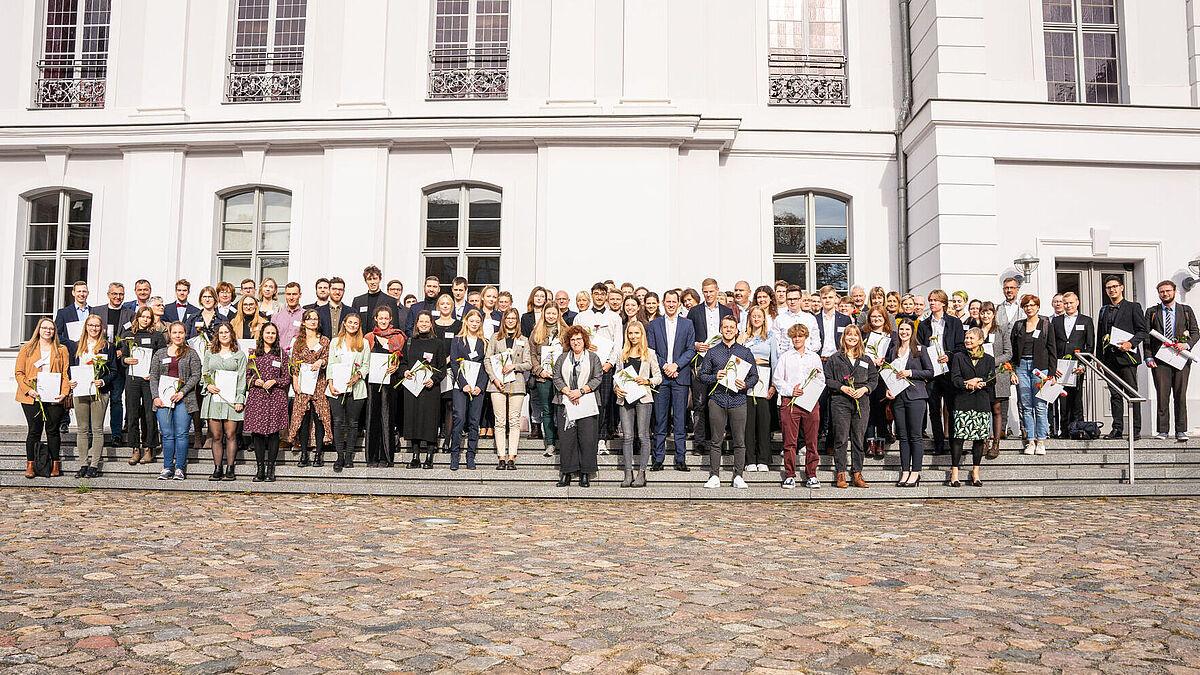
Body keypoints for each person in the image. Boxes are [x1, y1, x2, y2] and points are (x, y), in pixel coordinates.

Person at [698, 315, 758, 489]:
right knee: (716, 440)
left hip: (738, 399)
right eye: (725, 327)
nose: (729, 330)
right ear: (721, 329)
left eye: (732, 327)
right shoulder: (712, 352)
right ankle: (714, 476)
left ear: (736, 330)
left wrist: (746, 384)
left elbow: (755, 375)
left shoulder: (745, 352)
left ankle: (738, 476)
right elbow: (702, 376)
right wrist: (714, 376)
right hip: (717, 399)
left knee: (740, 441)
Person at [16, 318, 71, 478]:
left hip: (54, 396)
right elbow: (19, 373)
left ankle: (55, 465)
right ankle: (30, 465)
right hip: (32, 396)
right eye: (45, 328)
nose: (48, 331)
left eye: (51, 329)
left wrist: (64, 392)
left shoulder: (62, 349)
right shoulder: (27, 348)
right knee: (34, 431)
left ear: (55, 332)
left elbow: (65, 374)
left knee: (53, 431)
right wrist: (28, 390)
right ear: (38, 330)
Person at [823, 324, 878, 489]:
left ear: (859, 338)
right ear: (844, 337)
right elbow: (827, 379)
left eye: (855, 335)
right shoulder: (835, 358)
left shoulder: (866, 359)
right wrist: (842, 387)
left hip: (861, 401)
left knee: (858, 438)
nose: (852, 337)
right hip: (841, 400)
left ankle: (857, 473)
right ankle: (840, 473)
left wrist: (865, 389)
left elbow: (874, 379)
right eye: (849, 335)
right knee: (840, 438)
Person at [647, 289, 696, 472]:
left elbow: (691, 350)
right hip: (661, 377)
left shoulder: (687, 324)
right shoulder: (655, 324)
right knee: (660, 419)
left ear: (679, 303)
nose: (671, 304)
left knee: (680, 419)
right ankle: (658, 458)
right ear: (663, 303)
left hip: (680, 376)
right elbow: (651, 350)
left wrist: (676, 365)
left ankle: (680, 458)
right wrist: (666, 365)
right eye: (668, 301)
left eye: (674, 301)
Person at [1145, 280, 1198, 441]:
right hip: (1160, 360)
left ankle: (1181, 430)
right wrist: (1148, 356)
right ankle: (1162, 431)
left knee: (1180, 395)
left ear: (1174, 291)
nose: (1165, 294)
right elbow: (1146, 336)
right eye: (1161, 292)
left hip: (1181, 359)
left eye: (1168, 291)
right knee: (1162, 395)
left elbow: (1196, 332)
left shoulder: (1186, 310)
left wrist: (1187, 344)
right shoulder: (1152, 311)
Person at [686, 278, 733, 457]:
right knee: (699, 403)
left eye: (711, 291)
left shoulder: (727, 311)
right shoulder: (694, 312)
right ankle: (699, 443)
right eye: (705, 291)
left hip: (721, 363)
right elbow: (688, 336)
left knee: (720, 403)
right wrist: (696, 345)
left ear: (717, 290)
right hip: (700, 362)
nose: (708, 294)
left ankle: (717, 442)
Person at [773, 324, 824, 489]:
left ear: (805, 337)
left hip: (810, 401)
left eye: (800, 336)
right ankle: (789, 474)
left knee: (811, 440)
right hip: (790, 401)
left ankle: (812, 474)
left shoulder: (814, 357)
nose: (797, 339)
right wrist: (791, 390)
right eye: (794, 336)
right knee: (789, 441)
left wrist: (809, 391)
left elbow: (820, 379)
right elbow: (778, 380)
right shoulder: (786, 357)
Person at [575, 283, 623, 454]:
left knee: (603, 403)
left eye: (603, 294)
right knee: (586, 402)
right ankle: (587, 439)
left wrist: (610, 363)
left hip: (606, 367)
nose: (600, 297)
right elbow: (575, 339)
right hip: (586, 366)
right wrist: (586, 346)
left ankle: (601, 439)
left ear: (606, 296)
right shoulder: (582, 317)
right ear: (592, 295)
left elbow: (618, 344)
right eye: (596, 294)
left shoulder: (614, 318)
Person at [552, 325, 604, 487]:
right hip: (565, 401)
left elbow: (597, 377)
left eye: (579, 339)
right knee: (567, 439)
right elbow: (556, 376)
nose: (576, 342)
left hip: (586, 401)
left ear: (584, 340)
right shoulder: (562, 358)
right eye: (572, 339)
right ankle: (566, 473)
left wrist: (580, 391)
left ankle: (585, 473)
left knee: (587, 439)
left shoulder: (593, 357)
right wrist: (568, 392)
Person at [150, 321, 202, 481]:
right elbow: (153, 376)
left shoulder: (191, 353)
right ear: (170, 334)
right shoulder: (160, 353)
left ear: (185, 334)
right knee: (166, 434)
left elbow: (196, 375)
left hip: (184, 400)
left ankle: (179, 468)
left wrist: (182, 392)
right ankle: (167, 467)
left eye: (181, 332)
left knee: (181, 434)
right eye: (175, 333)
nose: (178, 335)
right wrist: (155, 397)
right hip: (163, 400)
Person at [884, 319, 933, 487]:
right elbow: (888, 373)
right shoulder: (893, 350)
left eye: (907, 329)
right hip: (898, 397)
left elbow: (930, 372)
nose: (904, 332)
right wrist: (888, 389)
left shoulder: (920, 350)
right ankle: (905, 471)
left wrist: (910, 372)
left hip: (916, 396)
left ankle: (915, 472)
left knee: (915, 436)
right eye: (901, 329)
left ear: (912, 331)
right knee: (902, 437)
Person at [1096, 276, 1146, 440]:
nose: (1112, 290)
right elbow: (1100, 336)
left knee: (1132, 394)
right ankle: (1117, 428)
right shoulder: (1103, 310)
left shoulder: (1133, 307)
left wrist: (1130, 344)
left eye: (1115, 286)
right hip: (1109, 359)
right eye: (1109, 287)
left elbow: (1142, 331)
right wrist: (1099, 359)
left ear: (1122, 287)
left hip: (1127, 357)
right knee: (1115, 395)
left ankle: (1135, 429)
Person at [916, 290, 965, 456]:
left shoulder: (954, 323)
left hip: (949, 372)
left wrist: (949, 356)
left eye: (935, 300)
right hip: (931, 373)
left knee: (952, 408)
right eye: (930, 300)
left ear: (943, 303)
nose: (932, 303)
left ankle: (953, 444)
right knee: (934, 410)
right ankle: (938, 444)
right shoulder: (923, 325)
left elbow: (961, 347)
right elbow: (919, 349)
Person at [614, 320, 662, 487]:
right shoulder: (621, 354)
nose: (633, 336)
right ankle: (628, 474)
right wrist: (616, 389)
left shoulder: (650, 353)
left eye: (636, 333)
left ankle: (641, 473)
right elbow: (616, 376)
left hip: (643, 398)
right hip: (625, 398)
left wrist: (647, 380)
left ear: (642, 334)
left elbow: (658, 377)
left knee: (642, 435)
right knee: (627, 437)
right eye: (630, 333)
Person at [1009, 294, 1058, 455]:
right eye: (1026, 306)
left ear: (1038, 307)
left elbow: (1052, 350)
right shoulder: (1018, 325)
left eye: (1032, 305)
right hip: (1022, 367)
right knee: (1026, 405)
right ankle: (1030, 440)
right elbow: (1012, 351)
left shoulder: (1045, 324)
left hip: (1040, 368)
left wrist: (1051, 374)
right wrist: (1011, 370)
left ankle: (1041, 440)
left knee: (1040, 405)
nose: (1029, 308)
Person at [484, 308, 532, 470]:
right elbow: (487, 360)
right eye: (508, 318)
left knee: (514, 421)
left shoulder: (523, 340)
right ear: (504, 320)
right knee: (499, 421)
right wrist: (494, 379)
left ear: (517, 320)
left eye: (513, 318)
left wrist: (514, 366)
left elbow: (529, 363)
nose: (510, 320)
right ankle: (501, 457)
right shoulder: (495, 338)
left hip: (516, 383)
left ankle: (512, 456)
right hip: (497, 384)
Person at [69, 314, 116, 477]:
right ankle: (83, 464)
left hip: (100, 392)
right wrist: (71, 381)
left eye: (97, 326)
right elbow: (70, 368)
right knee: (82, 429)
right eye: (91, 325)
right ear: (86, 327)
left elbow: (114, 371)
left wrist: (103, 381)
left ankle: (94, 465)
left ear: (101, 328)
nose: (94, 328)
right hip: (80, 391)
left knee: (97, 429)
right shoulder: (76, 346)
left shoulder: (108, 346)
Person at [949, 328, 996, 487]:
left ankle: (975, 471)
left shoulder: (989, 359)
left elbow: (992, 380)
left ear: (981, 341)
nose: (967, 340)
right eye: (966, 337)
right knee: (958, 437)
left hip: (981, 401)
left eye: (971, 338)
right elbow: (954, 379)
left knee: (978, 438)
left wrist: (983, 382)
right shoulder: (958, 357)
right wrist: (967, 383)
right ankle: (954, 471)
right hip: (963, 401)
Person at [400, 311, 447, 469]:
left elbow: (442, 368)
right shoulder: (409, 342)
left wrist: (433, 380)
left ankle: (429, 456)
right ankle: (415, 456)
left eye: (427, 321)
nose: (424, 324)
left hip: (429, 389)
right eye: (421, 321)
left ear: (431, 324)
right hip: (412, 388)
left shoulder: (438, 343)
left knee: (429, 421)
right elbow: (403, 363)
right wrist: (404, 371)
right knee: (413, 420)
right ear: (417, 323)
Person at [121, 306, 166, 465]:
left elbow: (162, 359)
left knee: (149, 414)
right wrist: (125, 360)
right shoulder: (128, 335)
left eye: (148, 317)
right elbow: (123, 356)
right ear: (137, 318)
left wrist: (154, 372)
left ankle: (149, 448)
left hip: (149, 380)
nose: (145, 319)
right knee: (132, 413)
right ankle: (135, 448)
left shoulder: (157, 336)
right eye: (143, 316)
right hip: (132, 379)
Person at [201, 323, 247, 480]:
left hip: (231, 400)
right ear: (217, 335)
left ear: (231, 334)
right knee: (216, 435)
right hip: (214, 399)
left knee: (231, 434)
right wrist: (208, 385)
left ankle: (230, 468)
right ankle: (217, 467)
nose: (224, 335)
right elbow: (204, 373)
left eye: (226, 332)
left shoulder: (239, 355)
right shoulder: (210, 353)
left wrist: (240, 398)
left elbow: (242, 378)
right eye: (221, 332)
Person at [244, 322, 290, 481]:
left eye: (273, 333)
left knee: (273, 433)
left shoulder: (282, 354)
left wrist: (275, 381)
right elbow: (247, 376)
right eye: (267, 332)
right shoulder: (253, 353)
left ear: (277, 336)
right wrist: (255, 381)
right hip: (257, 397)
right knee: (257, 433)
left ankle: (271, 468)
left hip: (275, 397)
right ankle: (260, 468)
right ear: (262, 334)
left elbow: (286, 378)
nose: (270, 335)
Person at [286, 309, 332, 467]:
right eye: (309, 319)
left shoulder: (325, 341)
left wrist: (322, 362)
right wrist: (295, 382)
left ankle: (318, 453)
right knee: (303, 418)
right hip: (303, 384)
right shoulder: (298, 341)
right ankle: (304, 453)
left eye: (315, 319)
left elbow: (327, 359)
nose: (313, 321)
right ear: (304, 322)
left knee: (320, 419)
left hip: (319, 383)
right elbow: (294, 365)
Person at [326, 313, 370, 471]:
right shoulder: (335, 342)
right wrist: (330, 384)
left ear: (359, 326)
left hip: (356, 389)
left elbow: (366, 365)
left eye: (356, 323)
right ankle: (339, 456)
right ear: (344, 324)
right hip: (336, 389)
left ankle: (349, 456)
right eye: (350, 322)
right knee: (337, 422)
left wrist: (357, 376)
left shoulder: (364, 343)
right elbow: (330, 364)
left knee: (353, 423)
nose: (352, 325)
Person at [364, 305, 405, 467]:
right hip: (372, 383)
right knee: (372, 417)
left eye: (385, 318)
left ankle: (386, 456)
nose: (383, 321)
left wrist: (396, 367)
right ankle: (372, 457)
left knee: (387, 418)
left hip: (390, 383)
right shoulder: (368, 337)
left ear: (390, 320)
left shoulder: (398, 337)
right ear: (375, 319)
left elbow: (403, 360)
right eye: (380, 318)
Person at [94, 282, 134, 446]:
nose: (118, 297)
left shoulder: (130, 314)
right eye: (114, 294)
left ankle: (116, 434)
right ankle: (94, 433)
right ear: (108, 294)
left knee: (116, 399)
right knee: (96, 399)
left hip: (119, 363)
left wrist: (122, 352)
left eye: (121, 294)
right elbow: (91, 332)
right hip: (100, 362)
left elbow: (131, 336)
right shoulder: (97, 311)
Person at [449, 309, 488, 470]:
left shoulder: (484, 342)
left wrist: (480, 386)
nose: (474, 324)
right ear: (466, 322)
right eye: (471, 321)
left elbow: (486, 366)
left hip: (477, 387)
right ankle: (455, 454)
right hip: (461, 386)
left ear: (480, 324)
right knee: (459, 418)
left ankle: (470, 455)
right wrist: (463, 383)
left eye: (477, 321)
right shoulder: (458, 340)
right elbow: (454, 363)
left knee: (474, 421)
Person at [1051, 292, 1094, 438]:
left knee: (1076, 399)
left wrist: (1083, 365)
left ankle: (1077, 429)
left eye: (1071, 303)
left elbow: (1090, 346)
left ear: (1077, 303)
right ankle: (1064, 430)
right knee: (1062, 399)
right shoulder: (1056, 322)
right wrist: (1053, 365)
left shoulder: (1086, 321)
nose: (1068, 306)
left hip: (1077, 366)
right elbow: (1052, 345)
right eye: (1066, 303)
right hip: (1060, 366)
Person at [741, 306, 777, 472]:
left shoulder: (770, 336)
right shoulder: (743, 336)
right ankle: (749, 460)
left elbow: (774, 360)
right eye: (753, 316)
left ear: (764, 319)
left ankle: (763, 459)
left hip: (764, 376)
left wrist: (773, 384)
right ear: (750, 318)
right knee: (748, 422)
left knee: (763, 420)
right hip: (746, 378)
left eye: (759, 316)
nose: (756, 319)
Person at [815, 285, 853, 441]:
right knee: (820, 399)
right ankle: (820, 433)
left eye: (830, 297)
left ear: (835, 298)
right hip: (821, 361)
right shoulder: (814, 318)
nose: (827, 300)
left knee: (836, 401)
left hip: (838, 362)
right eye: (824, 298)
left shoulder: (844, 319)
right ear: (821, 300)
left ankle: (833, 438)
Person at [530, 304, 568, 458]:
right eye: (548, 313)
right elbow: (532, 355)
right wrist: (540, 371)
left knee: (562, 409)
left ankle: (564, 442)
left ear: (558, 314)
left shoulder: (565, 331)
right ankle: (550, 444)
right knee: (547, 410)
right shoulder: (537, 331)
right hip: (543, 378)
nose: (551, 316)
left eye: (554, 313)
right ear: (544, 314)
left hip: (561, 377)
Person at [978, 302, 1013, 458]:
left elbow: (1008, 353)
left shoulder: (1001, 330)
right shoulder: (976, 331)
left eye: (988, 312)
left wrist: (991, 362)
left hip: (997, 374)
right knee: (983, 410)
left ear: (993, 314)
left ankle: (996, 443)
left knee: (997, 409)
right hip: (980, 375)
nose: (985, 315)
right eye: (983, 312)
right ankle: (984, 441)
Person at [860, 306, 895, 457]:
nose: (876, 319)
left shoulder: (892, 336)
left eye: (879, 316)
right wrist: (869, 360)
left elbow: (894, 357)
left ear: (885, 318)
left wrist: (884, 361)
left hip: (884, 377)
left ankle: (880, 442)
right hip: (867, 376)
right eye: (873, 316)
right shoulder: (864, 334)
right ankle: (870, 442)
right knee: (868, 410)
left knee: (881, 410)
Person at [433, 295, 463, 451]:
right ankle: (434, 438)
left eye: (448, 304)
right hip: (435, 370)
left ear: (452, 307)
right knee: (435, 404)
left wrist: (448, 360)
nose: (445, 306)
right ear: (438, 306)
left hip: (451, 369)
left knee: (449, 404)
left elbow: (459, 346)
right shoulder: (432, 324)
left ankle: (447, 439)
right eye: (442, 304)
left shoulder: (458, 325)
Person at [773, 285, 820, 358]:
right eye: (789, 299)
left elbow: (816, 342)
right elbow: (775, 343)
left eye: (795, 299)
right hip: (786, 359)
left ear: (800, 299)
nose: (792, 302)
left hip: (806, 358)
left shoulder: (810, 318)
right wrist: (783, 355)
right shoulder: (779, 319)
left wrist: (806, 352)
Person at [356, 265, 403, 332]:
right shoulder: (358, 301)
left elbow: (395, 325)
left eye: (375, 279)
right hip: (362, 340)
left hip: (383, 339)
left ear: (380, 279)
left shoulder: (390, 301)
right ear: (366, 281)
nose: (372, 282)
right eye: (369, 279)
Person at [55, 280, 91, 349]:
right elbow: (56, 334)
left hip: (91, 351)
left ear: (87, 293)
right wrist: (71, 344)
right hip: (71, 351)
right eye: (79, 291)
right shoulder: (63, 313)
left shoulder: (94, 311)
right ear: (73, 293)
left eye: (84, 291)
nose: (81, 294)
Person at [270, 281, 305, 350]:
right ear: (285, 295)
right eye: (288, 294)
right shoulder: (276, 317)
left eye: (294, 294)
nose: (291, 297)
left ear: (300, 295)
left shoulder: (306, 316)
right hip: (279, 355)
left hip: (299, 356)